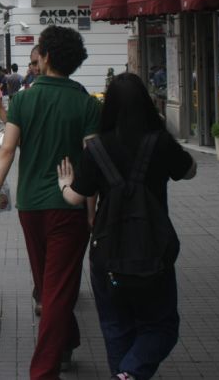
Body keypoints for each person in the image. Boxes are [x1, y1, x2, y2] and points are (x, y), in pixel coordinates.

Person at [56, 72, 196, 380]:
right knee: (161, 326)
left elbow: (76, 198)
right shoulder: (159, 141)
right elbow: (189, 171)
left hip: (108, 251)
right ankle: (131, 372)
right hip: (153, 251)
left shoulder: (96, 148)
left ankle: (125, 372)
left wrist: (65, 183)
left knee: (116, 327)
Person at [0, 26, 99, 379]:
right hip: (69, 206)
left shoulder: (23, 100)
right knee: (58, 287)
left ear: (45, 57)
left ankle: (46, 367)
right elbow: (92, 162)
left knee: (50, 286)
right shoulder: (87, 103)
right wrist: (91, 212)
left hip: (32, 206)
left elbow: (6, 150)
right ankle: (59, 349)